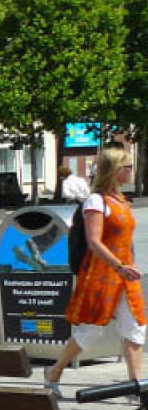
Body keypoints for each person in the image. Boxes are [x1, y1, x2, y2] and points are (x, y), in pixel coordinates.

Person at [44, 148, 143, 389]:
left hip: (125, 276)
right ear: (115, 170)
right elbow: (94, 241)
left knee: (136, 328)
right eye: (127, 167)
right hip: (101, 276)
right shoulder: (96, 201)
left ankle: (137, 386)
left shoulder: (122, 200)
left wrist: (125, 266)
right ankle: (55, 371)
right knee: (90, 332)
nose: (131, 171)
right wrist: (118, 265)